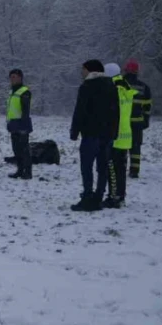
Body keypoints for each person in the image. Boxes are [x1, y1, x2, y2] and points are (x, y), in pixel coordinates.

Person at [68, 60, 118, 211]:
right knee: (102, 167)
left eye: (83, 69)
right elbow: (116, 111)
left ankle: (87, 196)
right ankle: (98, 196)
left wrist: (74, 131)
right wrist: (114, 131)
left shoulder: (87, 87)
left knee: (87, 166)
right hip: (107, 134)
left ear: (90, 70)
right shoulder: (111, 86)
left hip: (90, 133)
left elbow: (80, 110)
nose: (81, 72)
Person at [105, 63, 136, 208]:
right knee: (121, 170)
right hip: (125, 135)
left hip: (114, 135)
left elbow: (110, 113)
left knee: (112, 168)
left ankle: (113, 197)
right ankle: (120, 196)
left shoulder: (113, 89)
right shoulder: (125, 87)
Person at [122, 59, 151, 178]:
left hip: (122, 122)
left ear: (126, 70)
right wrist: (146, 120)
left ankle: (121, 168)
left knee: (121, 146)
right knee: (135, 147)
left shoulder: (120, 84)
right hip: (138, 122)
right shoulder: (144, 87)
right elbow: (147, 106)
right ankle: (134, 171)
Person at [7, 69, 34, 180]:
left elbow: (25, 110)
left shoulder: (24, 92)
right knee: (16, 149)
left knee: (24, 149)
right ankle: (20, 169)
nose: (12, 79)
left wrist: (23, 126)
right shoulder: (12, 91)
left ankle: (27, 171)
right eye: (11, 77)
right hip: (13, 123)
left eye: (14, 77)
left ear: (20, 78)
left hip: (22, 123)